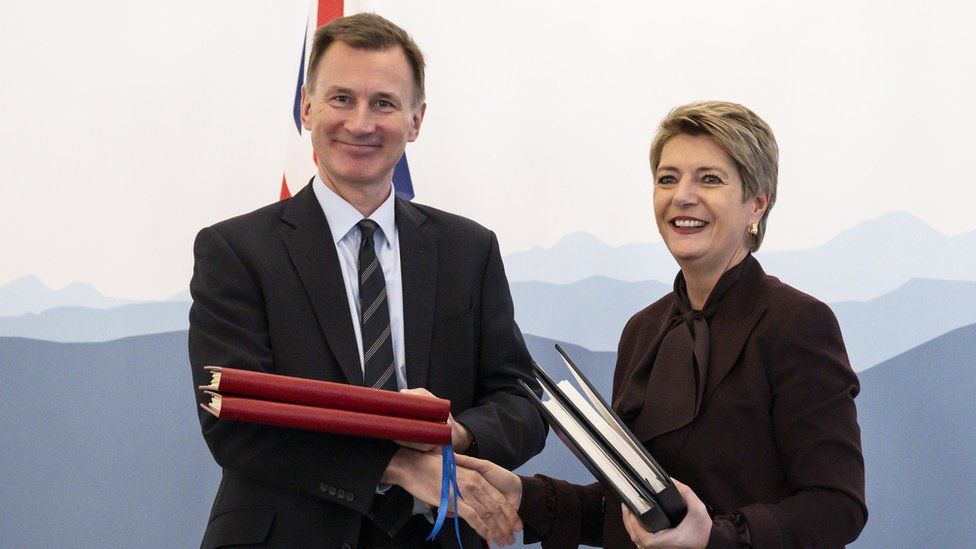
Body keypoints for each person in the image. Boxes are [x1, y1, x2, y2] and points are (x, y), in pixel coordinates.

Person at [187, 13, 546, 548]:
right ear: (307, 107)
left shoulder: (469, 249)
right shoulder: (235, 251)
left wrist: (455, 433)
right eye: (340, 99)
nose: (360, 123)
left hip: (436, 535)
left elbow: (519, 400)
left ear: (416, 119)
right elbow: (234, 423)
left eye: (383, 102)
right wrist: (397, 465)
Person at [457, 101, 867, 548]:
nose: (682, 195)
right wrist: (525, 496)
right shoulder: (642, 331)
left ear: (757, 203)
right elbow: (634, 510)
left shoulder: (797, 323)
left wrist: (715, 539)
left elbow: (836, 506)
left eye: (709, 178)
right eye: (667, 178)